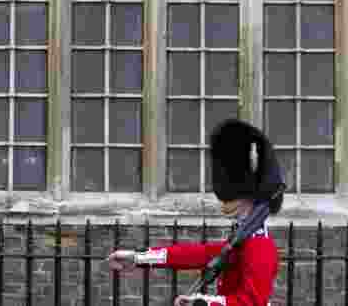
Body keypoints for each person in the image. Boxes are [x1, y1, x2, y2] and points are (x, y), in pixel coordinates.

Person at [106, 119, 285, 306]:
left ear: (251, 196)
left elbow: (252, 302)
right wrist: (139, 257)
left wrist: (203, 303)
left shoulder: (260, 245)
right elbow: (197, 254)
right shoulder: (245, 239)